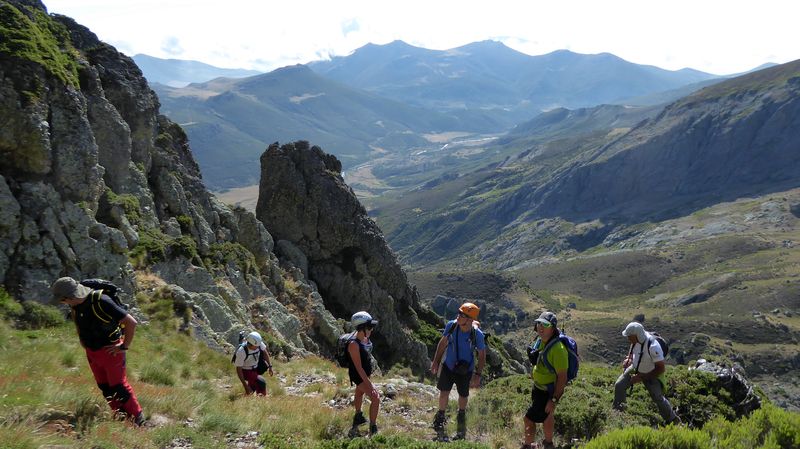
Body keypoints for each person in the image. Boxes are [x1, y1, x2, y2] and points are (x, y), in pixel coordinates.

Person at [52, 277, 145, 426]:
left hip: (111, 351)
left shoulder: (102, 301)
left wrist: (123, 346)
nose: (63, 303)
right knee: (104, 387)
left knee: (118, 386)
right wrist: (82, 341)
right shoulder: (75, 305)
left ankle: (138, 419)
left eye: (62, 300)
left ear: (68, 297)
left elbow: (131, 322)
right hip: (92, 351)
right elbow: (78, 322)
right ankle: (121, 416)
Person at [430, 302, 486, 441]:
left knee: (463, 395)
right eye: (459, 313)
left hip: (465, 370)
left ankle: (461, 413)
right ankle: (441, 415)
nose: (458, 316)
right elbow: (443, 343)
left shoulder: (477, 335)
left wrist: (478, 375)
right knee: (444, 392)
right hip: (449, 366)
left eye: (462, 315)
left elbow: (482, 355)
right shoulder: (452, 325)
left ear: (470, 319)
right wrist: (436, 361)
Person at [612, 321, 680, 424]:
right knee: (619, 385)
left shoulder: (653, 346)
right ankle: (618, 413)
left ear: (637, 335)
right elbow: (634, 350)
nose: (628, 339)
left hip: (651, 373)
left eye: (630, 336)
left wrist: (640, 377)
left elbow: (660, 369)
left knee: (657, 398)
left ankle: (673, 420)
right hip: (636, 367)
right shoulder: (635, 340)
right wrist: (629, 359)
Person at [522, 312, 567, 449]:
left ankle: (528, 445)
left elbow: (562, 378)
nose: (540, 327)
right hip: (538, 387)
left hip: (547, 391)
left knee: (528, 419)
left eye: (545, 325)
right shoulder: (541, 341)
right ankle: (548, 443)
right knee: (548, 416)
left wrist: (553, 400)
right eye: (539, 323)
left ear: (552, 328)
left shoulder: (558, 350)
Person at [346, 311, 380, 437]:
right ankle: (373, 427)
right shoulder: (353, 345)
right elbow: (359, 368)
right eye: (369, 327)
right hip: (358, 375)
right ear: (361, 328)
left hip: (364, 373)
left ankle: (358, 416)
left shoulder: (364, 338)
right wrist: (370, 386)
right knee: (375, 398)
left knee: (359, 392)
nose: (371, 329)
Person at [233, 331, 274, 396]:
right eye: (256, 346)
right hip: (245, 371)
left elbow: (265, 352)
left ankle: (248, 397)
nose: (258, 347)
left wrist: (270, 366)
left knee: (253, 386)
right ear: (250, 344)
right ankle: (262, 399)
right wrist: (245, 386)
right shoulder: (241, 351)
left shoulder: (258, 343)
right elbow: (239, 369)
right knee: (261, 382)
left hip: (255, 367)